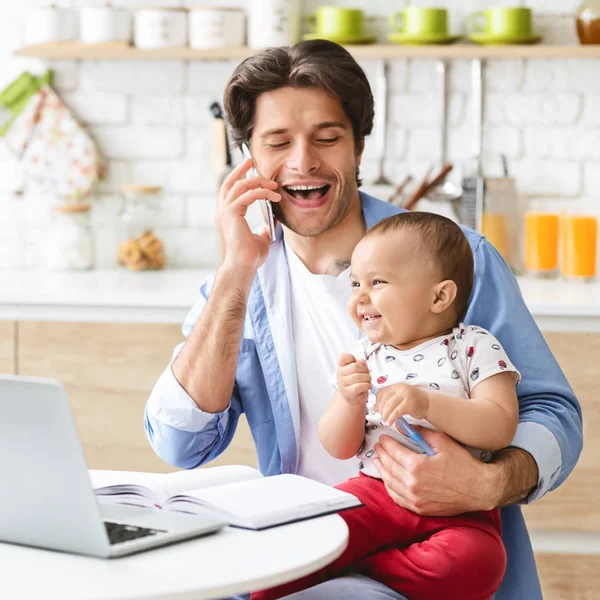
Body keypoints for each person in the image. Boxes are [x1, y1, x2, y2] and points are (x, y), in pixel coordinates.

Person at [144, 40, 582, 600]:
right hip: (310, 548)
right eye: (278, 142)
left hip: (437, 561)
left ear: (358, 149)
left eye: (327, 138)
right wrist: (234, 275)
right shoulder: (240, 281)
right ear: (249, 158)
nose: (303, 161)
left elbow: (553, 413)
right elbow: (180, 444)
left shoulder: (451, 259)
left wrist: (490, 481)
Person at [251, 212, 521, 600]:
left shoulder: (474, 345)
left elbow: (499, 426)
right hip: (374, 494)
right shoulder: (364, 354)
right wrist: (348, 400)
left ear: (439, 296)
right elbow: (338, 445)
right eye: (355, 283)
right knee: (304, 535)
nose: (359, 297)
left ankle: (364, 564)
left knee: (481, 561)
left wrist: (428, 403)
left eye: (377, 283)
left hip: (460, 510)